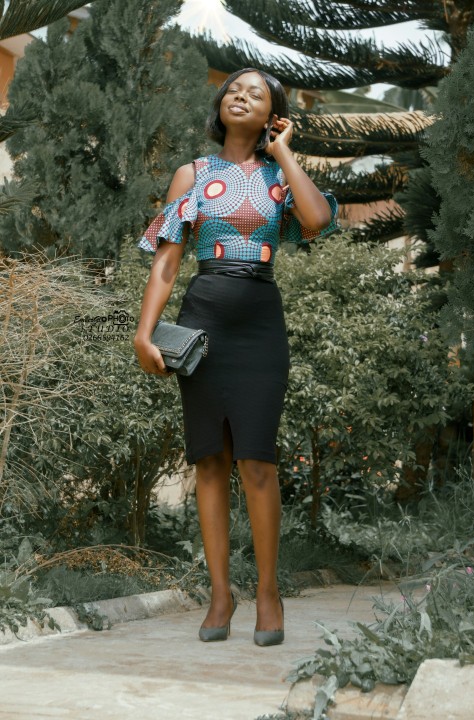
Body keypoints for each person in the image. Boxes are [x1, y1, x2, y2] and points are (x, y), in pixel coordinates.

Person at [134, 68, 338, 646]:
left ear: (274, 112)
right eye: (232, 90)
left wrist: (285, 152)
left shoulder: (280, 174)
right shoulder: (193, 175)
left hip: (259, 321)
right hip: (204, 317)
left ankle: (268, 592)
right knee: (209, 460)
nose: (239, 96)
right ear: (219, 105)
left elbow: (318, 220)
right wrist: (144, 334)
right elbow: (168, 262)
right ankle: (221, 593)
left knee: (258, 460)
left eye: (255, 93)